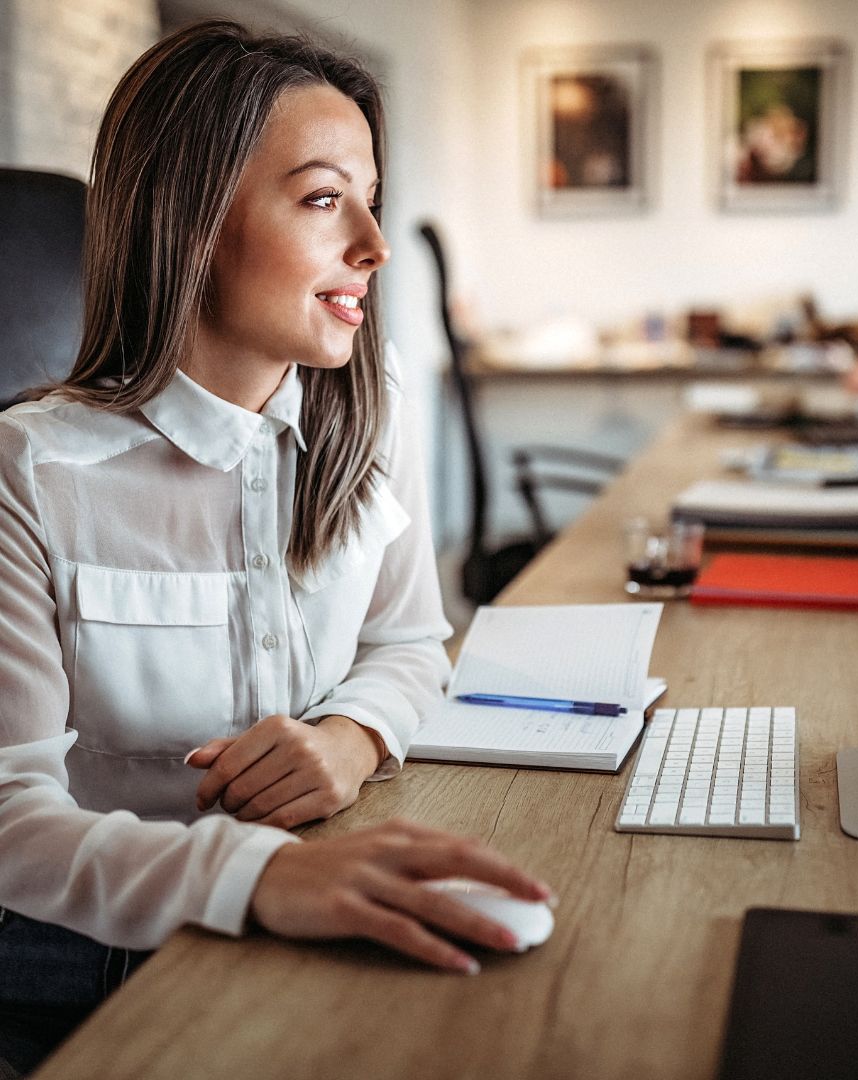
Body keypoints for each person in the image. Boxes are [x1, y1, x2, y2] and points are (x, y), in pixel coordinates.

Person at [0, 20, 549, 1075]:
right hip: (83, 961)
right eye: (323, 199)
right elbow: (10, 819)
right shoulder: (30, 473)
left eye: (372, 201)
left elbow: (412, 644)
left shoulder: (370, 415)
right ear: (194, 220)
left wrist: (350, 737)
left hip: (310, 891)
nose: (376, 249)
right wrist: (248, 876)